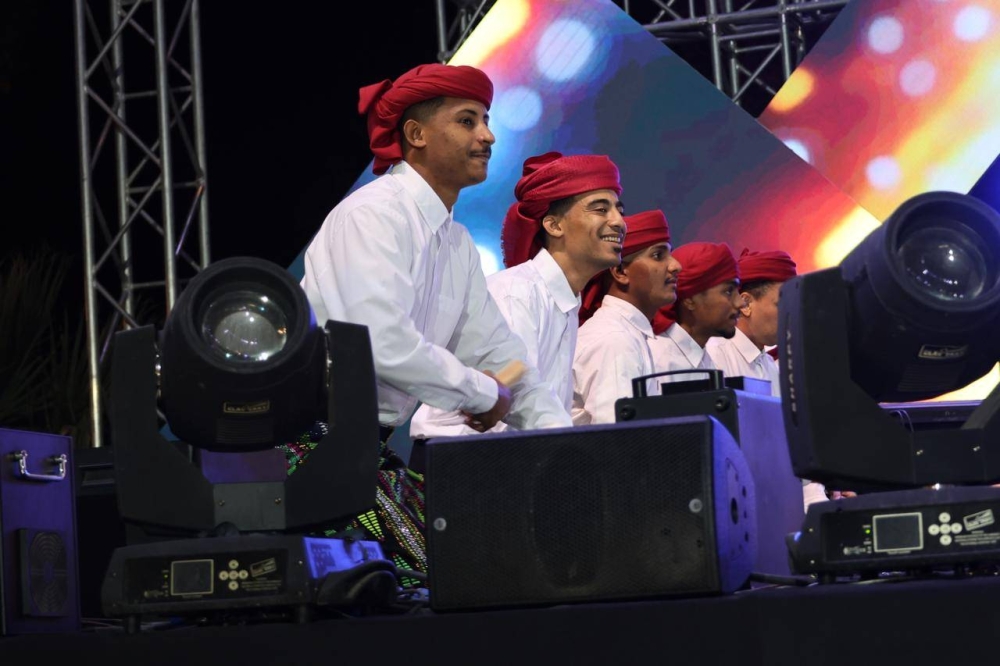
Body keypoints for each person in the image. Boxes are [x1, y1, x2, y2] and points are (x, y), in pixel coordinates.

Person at [291, 63, 572, 578]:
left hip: (361, 452)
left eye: (486, 121)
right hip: (306, 448)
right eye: (467, 121)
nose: (487, 136)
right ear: (416, 135)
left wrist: (568, 445)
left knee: (474, 562)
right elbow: (380, 344)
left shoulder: (455, 242)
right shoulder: (373, 214)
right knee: (433, 575)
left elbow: (503, 359)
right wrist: (483, 393)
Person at [409, 151, 626, 440]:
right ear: (554, 225)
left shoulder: (564, 300)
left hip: (507, 454)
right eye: (600, 209)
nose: (619, 221)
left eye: (619, 210)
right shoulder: (517, 296)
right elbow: (511, 405)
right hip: (459, 455)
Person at [571, 209, 682, 425]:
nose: (676, 266)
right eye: (658, 255)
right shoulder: (614, 339)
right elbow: (620, 437)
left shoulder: (627, 333)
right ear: (620, 272)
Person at [705, 248, 796, 398]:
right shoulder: (713, 357)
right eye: (782, 304)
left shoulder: (772, 367)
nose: (791, 314)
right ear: (746, 304)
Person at [649, 241, 741, 385]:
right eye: (728, 291)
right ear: (689, 300)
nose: (740, 303)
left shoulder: (706, 361)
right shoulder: (658, 361)